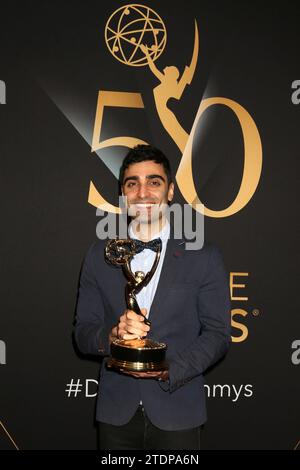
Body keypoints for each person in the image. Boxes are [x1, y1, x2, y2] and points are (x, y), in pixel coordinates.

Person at [74, 144, 231, 450]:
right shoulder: (98, 256)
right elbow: (82, 332)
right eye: (133, 183)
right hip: (116, 412)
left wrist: (172, 369)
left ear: (170, 190)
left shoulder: (205, 256)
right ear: (123, 193)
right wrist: (113, 336)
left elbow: (218, 334)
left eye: (154, 182)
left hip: (178, 410)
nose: (143, 193)